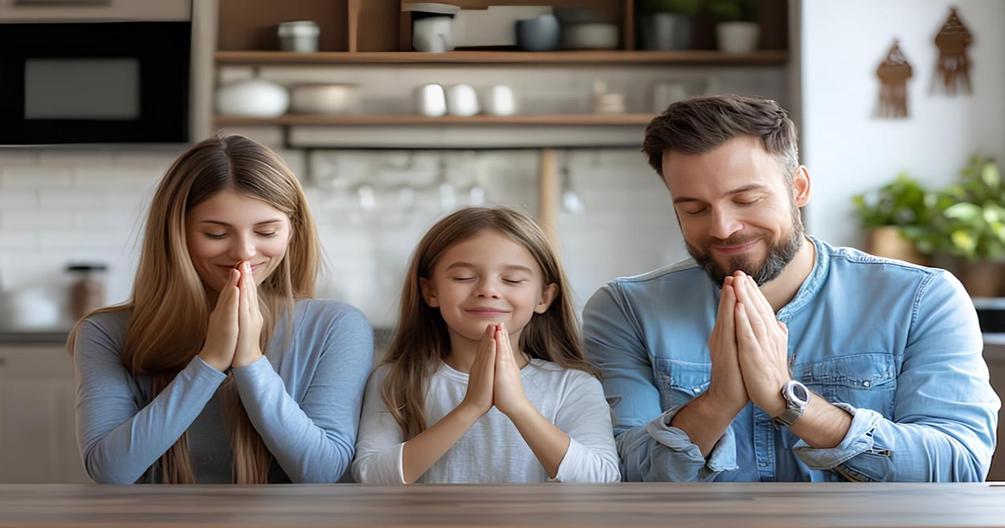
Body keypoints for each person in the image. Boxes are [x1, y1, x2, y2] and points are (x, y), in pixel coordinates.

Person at [583, 94, 999, 482]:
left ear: (798, 188)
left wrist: (792, 403)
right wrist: (717, 402)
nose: (723, 227)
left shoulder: (921, 299)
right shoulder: (625, 311)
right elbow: (619, 474)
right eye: (695, 209)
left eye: (746, 199)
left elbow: (958, 467)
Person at [71, 135, 373, 484]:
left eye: (266, 231)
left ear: (293, 231)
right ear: (176, 235)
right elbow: (111, 472)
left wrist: (251, 362)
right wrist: (210, 361)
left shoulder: (337, 327)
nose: (244, 252)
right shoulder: (104, 333)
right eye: (216, 234)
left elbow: (322, 472)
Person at [352, 207, 620, 484]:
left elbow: (601, 478)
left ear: (544, 297)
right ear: (430, 291)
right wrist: (470, 407)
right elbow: (370, 475)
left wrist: (517, 407)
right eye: (463, 277)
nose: (488, 290)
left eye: (512, 280)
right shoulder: (396, 380)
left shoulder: (573, 385)